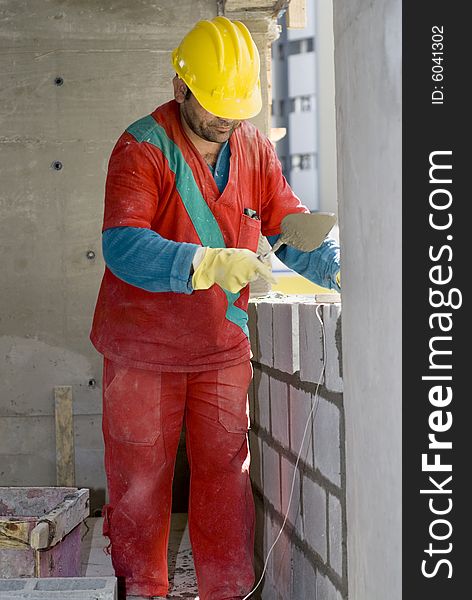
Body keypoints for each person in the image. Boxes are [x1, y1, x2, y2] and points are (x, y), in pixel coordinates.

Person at [90, 15, 340, 600]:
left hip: (221, 350)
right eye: (215, 107)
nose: (226, 121)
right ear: (181, 89)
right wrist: (203, 264)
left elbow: (284, 225)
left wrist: (335, 263)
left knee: (226, 482)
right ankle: (143, 591)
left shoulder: (251, 146)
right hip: (142, 352)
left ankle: (226, 594)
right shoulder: (142, 147)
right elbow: (121, 244)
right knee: (140, 487)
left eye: (236, 109)